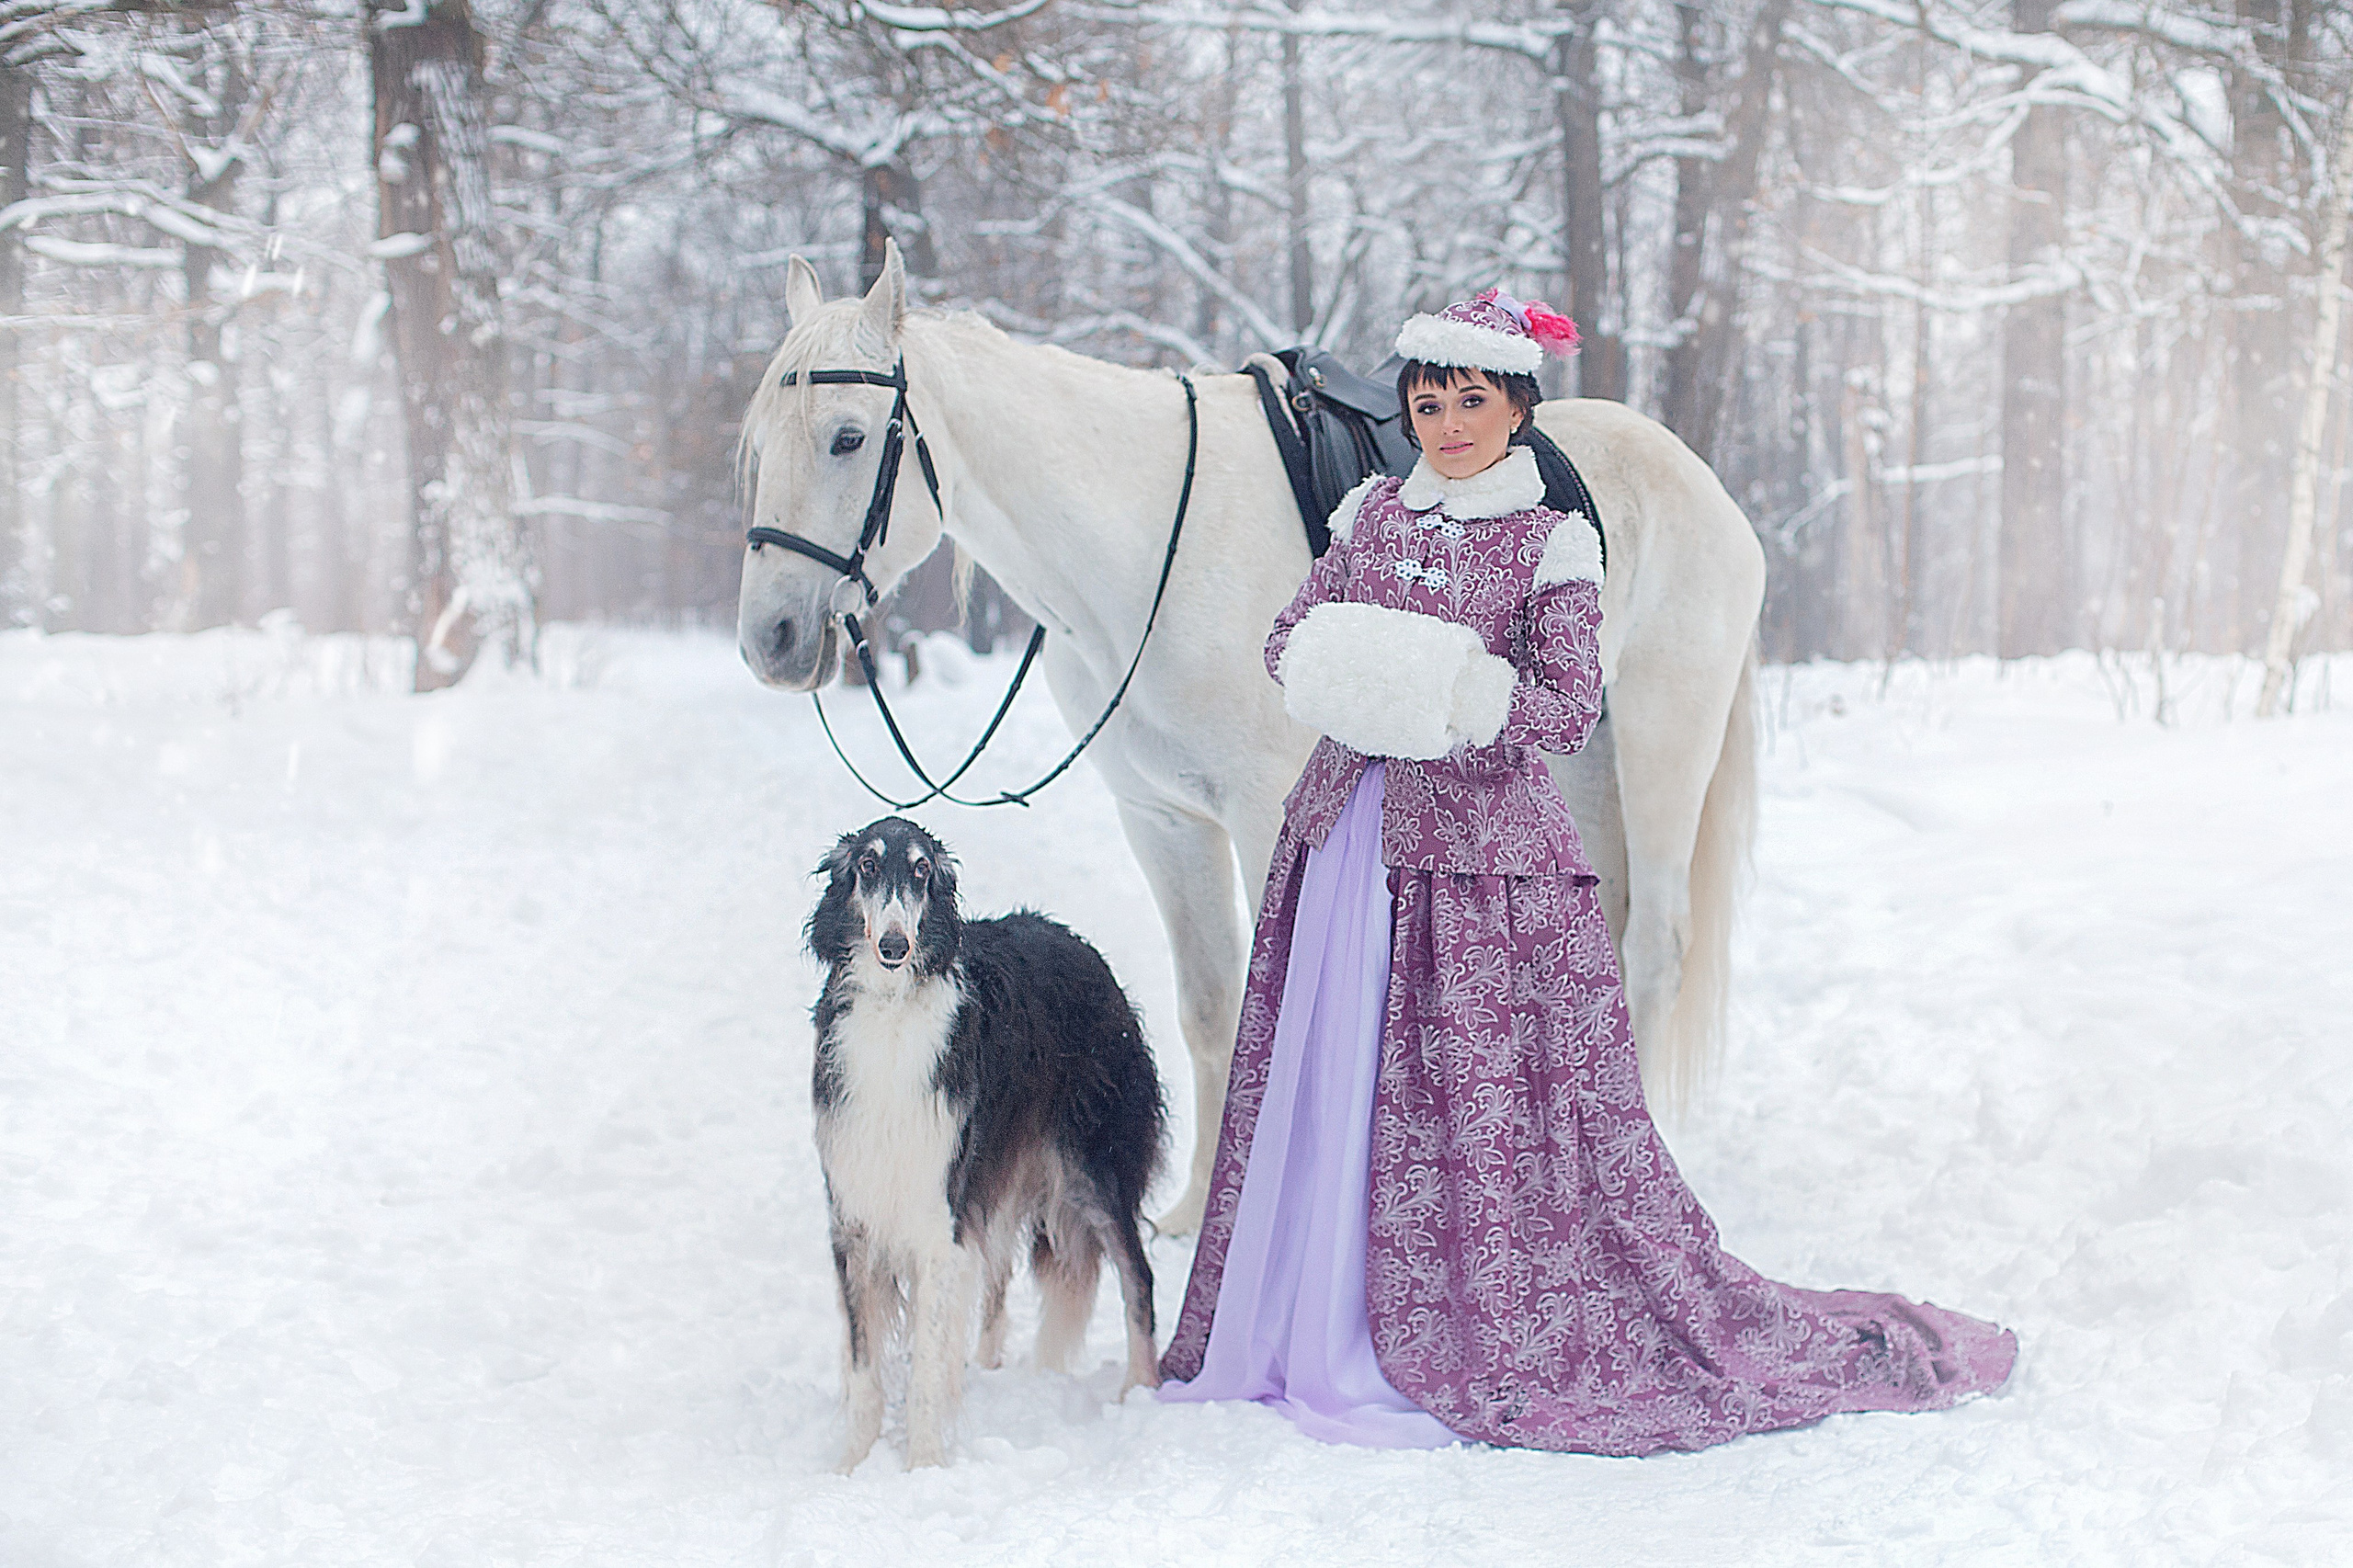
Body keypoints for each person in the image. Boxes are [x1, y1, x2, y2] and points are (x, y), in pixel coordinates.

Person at [1156, 289, 2016, 1454]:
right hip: (1349, 837)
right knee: (1335, 1072)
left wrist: (1443, 691)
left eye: (1472, 399)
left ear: (1516, 406)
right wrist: (1379, 671)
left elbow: (1562, 704)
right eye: (1428, 400)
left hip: (1479, 860)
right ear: (1405, 412)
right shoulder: (1366, 517)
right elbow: (1288, 642)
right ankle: (1313, 1303)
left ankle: (1462, 1301)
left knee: (1472, 1088)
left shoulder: (1550, 539)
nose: (1448, 421)